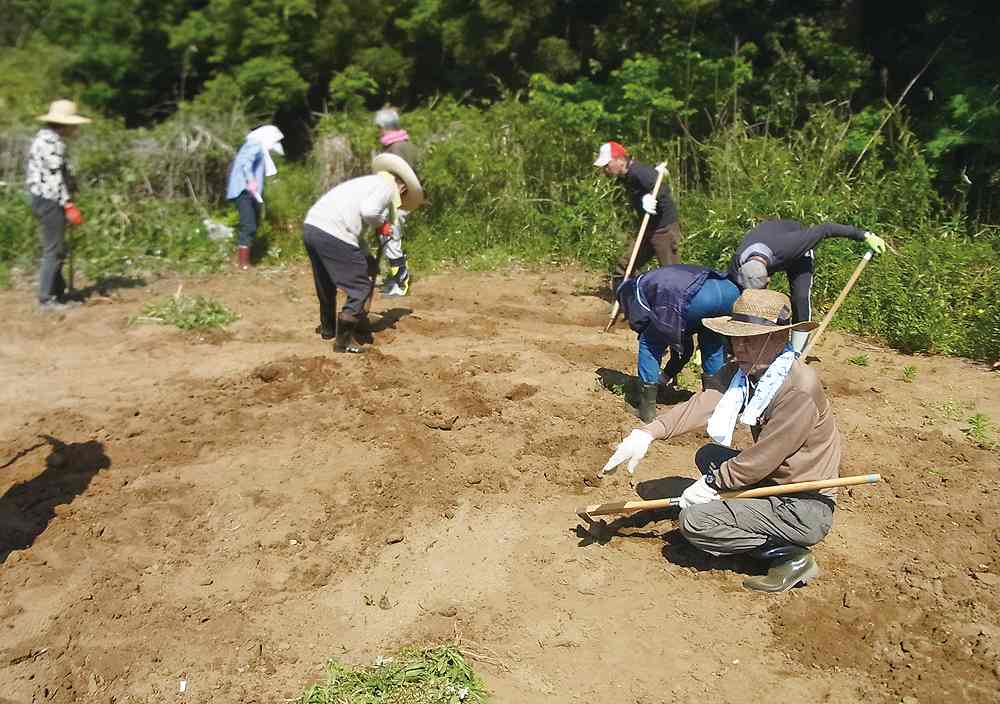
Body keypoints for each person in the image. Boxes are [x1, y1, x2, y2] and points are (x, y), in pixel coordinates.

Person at [600, 289, 841, 593]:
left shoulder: (797, 391)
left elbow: (763, 458)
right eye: (735, 338)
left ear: (779, 339)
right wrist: (648, 432)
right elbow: (704, 403)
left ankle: (788, 556)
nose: (738, 348)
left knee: (695, 523)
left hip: (801, 503)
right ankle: (746, 513)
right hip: (774, 481)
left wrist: (713, 484)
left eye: (749, 339)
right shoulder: (747, 372)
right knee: (708, 455)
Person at [302, 153, 424, 352]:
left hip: (313, 227)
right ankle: (344, 341)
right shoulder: (386, 187)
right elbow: (370, 212)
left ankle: (328, 328)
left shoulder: (368, 183)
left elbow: (355, 228)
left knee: (325, 282)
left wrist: (367, 257)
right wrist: (383, 225)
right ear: (402, 187)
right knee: (360, 286)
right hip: (334, 232)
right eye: (404, 196)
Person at [727, 219, 886, 352]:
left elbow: (826, 228)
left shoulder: (793, 244)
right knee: (742, 302)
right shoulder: (737, 265)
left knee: (801, 298)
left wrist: (864, 235)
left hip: (796, 252)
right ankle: (736, 344)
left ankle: (796, 354)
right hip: (766, 248)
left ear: (768, 279)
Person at [615, 264, 741, 421]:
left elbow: (642, 323)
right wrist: (666, 376)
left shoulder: (634, 289)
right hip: (729, 291)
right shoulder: (657, 282)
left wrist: (650, 333)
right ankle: (714, 409)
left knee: (650, 342)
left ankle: (646, 410)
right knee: (712, 344)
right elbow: (684, 349)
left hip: (696, 297)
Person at [26, 99, 91, 312]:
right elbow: (54, 179)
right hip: (49, 200)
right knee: (53, 249)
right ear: (65, 124)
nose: (77, 128)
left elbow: (61, 174)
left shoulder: (50, 139)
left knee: (58, 249)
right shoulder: (50, 142)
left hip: (47, 198)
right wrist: (69, 205)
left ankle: (58, 293)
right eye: (74, 124)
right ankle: (46, 299)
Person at [594, 141, 681, 291]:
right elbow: (647, 183)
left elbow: (662, 190)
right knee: (624, 267)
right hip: (647, 229)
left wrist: (651, 197)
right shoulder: (626, 175)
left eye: (607, 165)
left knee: (671, 274)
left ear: (619, 160)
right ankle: (625, 300)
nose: (605, 170)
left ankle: (679, 308)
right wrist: (645, 196)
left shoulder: (638, 172)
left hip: (663, 229)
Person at [225, 125, 285, 270]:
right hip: (243, 190)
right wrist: (251, 180)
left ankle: (244, 258)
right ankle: (243, 264)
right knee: (249, 225)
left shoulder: (258, 147)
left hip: (250, 193)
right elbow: (245, 163)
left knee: (254, 222)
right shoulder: (255, 144)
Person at [373, 107, 419, 297]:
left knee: (391, 239)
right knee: (390, 240)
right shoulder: (404, 145)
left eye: (379, 127)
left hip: (397, 200)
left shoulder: (397, 148)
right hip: (400, 199)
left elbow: (400, 179)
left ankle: (401, 283)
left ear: (385, 127)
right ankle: (396, 279)